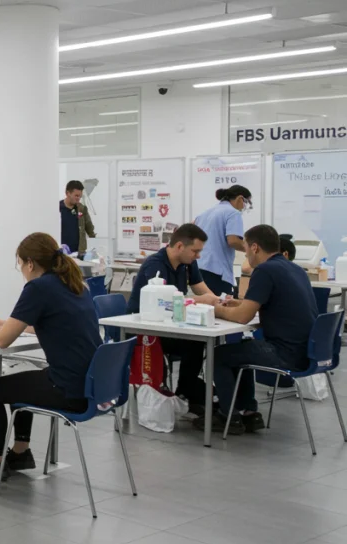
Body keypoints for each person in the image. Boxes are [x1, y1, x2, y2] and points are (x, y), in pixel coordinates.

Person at [0, 233, 101, 480]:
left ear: (30, 263)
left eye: (20, 264)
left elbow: (2, 341)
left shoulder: (38, 287)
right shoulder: (73, 283)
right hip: (89, 384)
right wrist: (7, 324)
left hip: (68, 389)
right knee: (21, 383)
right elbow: (57, 323)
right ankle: (20, 453)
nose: (21, 270)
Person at [211, 224, 317, 435]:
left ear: (255, 247)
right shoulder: (293, 268)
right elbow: (255, 305)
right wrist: (237, 305)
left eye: (245, 249)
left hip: (286, 354)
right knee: (244, 349)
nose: (245, 254)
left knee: (218, 355)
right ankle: (249, 412)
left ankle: (228, 416)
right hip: (307, 351)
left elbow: (243, 317)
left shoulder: (264, 270)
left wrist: (215, 310)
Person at [127, 224, 220, 414]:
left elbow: (200, 287)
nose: (198, 256)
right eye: (195, 251)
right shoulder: (155, 265)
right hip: (144, 329)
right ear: (179, 246)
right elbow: (166, 301)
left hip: (171, 325)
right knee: (193, 344)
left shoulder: (188, 263)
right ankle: (183, 392)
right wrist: (200, 300)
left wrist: (217, 302)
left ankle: (185, 392)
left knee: (198, 342)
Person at [193, 185, 251, 297]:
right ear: (240, 199)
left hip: (198, 268)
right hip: (217, 272)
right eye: (246, 203)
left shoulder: (203, 214)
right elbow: (233, 241)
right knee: (221, 307)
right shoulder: (233, 213)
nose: (244, 207)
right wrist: (252, 251)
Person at [60, 180, 96, 255]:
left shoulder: (82, 209)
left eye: (80, 196)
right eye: (76, 195)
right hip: (61, 253)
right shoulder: (58, 208)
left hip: (79, 254)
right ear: (67, 193)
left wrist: (94, 248)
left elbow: (90, 230)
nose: (78, 198)